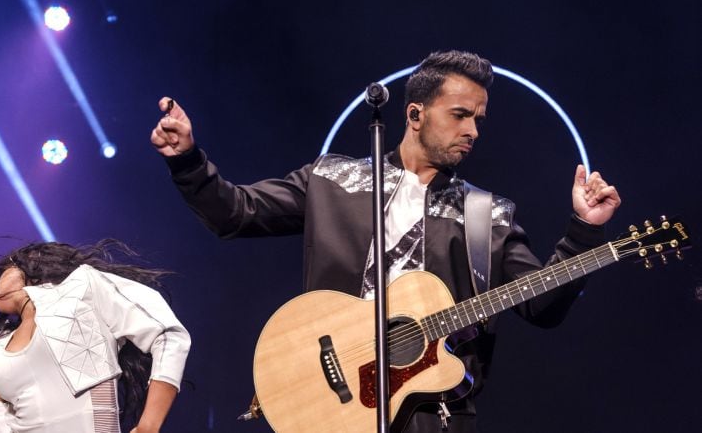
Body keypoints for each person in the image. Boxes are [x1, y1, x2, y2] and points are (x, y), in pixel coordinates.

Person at [149, 50, 620, 432]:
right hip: (331, 393)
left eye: (478, 119)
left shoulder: (488, 215)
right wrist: (187, 161)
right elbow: (235, 213)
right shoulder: (333, 178)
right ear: (415, 114)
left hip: (434, 411)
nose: (473, 131)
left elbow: (543, 306)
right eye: (459, 115)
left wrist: (584, 230)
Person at [0, 194, 191, 433]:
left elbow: (168, 333)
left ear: (28, 264)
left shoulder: (82, 289)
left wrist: (148, 425)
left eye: (4, 270)